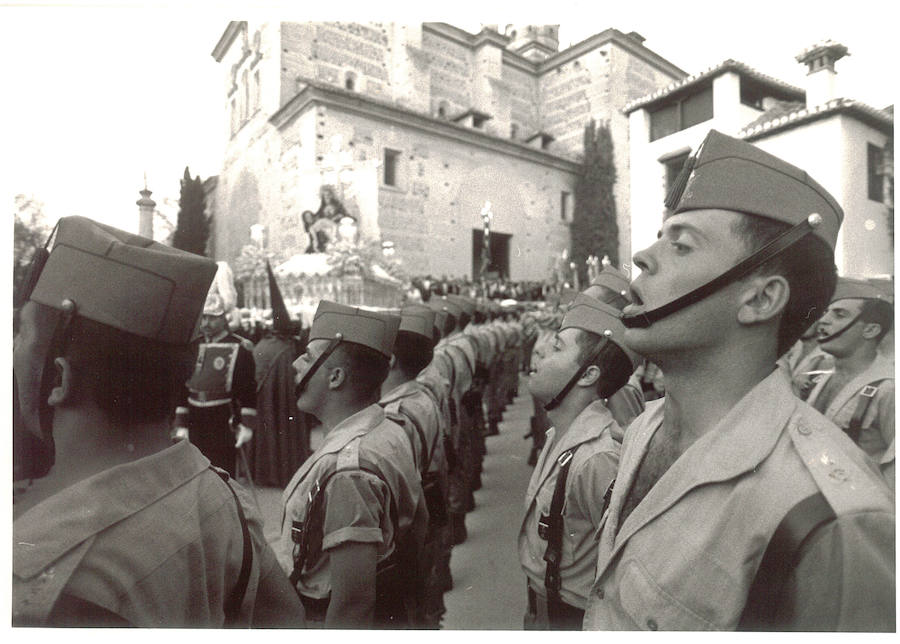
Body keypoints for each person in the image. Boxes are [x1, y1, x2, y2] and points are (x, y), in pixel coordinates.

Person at [583, 130, 894, 631]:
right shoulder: (644, 428)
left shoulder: (833, 518)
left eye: (680, 245)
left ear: (759, 300)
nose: (642, 256)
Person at [12, 216, 305, 627]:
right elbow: (286, 617)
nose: (13, 349)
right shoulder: (225, 496)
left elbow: (244, 394)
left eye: (20, 334)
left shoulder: (33, 580)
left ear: (58, 378)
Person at [280, 301, 428, 628]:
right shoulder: (387, 426)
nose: (295, 364)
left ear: (335, 377)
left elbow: (352, 605)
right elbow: (419, 525)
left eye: (306, 357)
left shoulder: (348, 469)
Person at [520, 290, 639, 629]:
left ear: (588, 375)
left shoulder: (597, 459)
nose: (541, 350)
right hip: (545, 608)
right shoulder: (561, 435)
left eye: (557, 347)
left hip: (572, 618)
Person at [379, 305, 449, 627]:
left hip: (410, 521)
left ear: (390, 360)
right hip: (428, 508)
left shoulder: (396, 413)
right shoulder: (422, 396)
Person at [806, 278, 894, 488]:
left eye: (839, 315)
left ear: (871, 330)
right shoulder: (817, 379)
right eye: (826, 312)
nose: (823, 321)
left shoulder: (889, 389)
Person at [174, 263, 256, 478]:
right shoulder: (192, 345)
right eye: (205, 317)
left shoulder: (240, 347)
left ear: (225, 318)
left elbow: (247, 391)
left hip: (222, 419)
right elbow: (183, 387)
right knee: (194, 474)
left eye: (214, 317)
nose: (207, 323)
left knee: (222, 474)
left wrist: (246, 426)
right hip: (194, 417)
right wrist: (181, 423)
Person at [249, 262, 313, 487]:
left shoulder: (261, 345)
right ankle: (285, 469)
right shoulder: (285, 350)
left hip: (262, 405)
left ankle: (263, 471)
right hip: (282, 406)